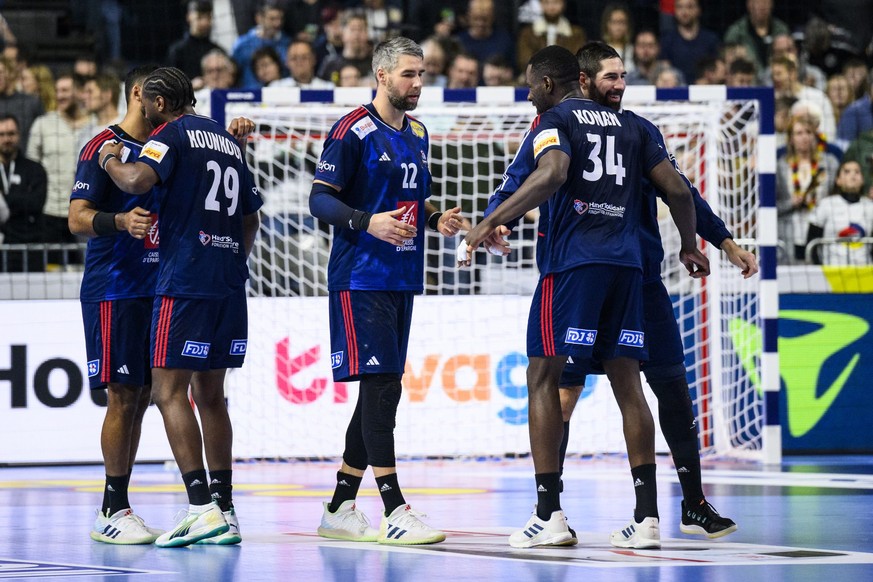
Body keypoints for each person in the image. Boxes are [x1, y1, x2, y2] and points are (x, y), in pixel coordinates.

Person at [462, 44, 709, 549]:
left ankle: (549, 514)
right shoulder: (635, 126)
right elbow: (680, 193)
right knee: (628, 385)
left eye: (531, 85)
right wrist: (690, 243)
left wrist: (490, 222)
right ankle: (646, 520)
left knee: (543, 378)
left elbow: (551, 174)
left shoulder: (555, 118)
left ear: (551, 84)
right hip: (627, 268)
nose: (528, 94)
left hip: (573, 265)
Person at [308, 36, 465, 546]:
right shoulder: (351, 131)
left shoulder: (418, 132)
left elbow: (411, 205)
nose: (418, 83)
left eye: (422, 74)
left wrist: (439, 218)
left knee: (385, 388)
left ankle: (339, 505)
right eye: (409, 75)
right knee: (380, 389)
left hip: (403, 276)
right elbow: (319, 200)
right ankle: (394, 508)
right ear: (382, 75)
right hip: (360, 276)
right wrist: (365, 222)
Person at [97, 66, 263, 548]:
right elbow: (251, 217)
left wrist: (110, 156)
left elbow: (133, 180)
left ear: (160, 103)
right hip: (229, 281)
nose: (144, 114)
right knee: (212, 395)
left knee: (168, 391)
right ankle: (226, 510)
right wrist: (230, 258)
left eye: (147, 105)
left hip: (185, 279)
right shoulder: (226, 140)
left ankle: (199, 508)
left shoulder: (169, 133)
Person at [69, 65, 163, 545]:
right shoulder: (101, 146)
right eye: (159, 93)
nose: (166, 103)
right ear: (137, 94)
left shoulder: (161, 148)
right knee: (123, 396)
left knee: (143, 397)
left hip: (154, 287)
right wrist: (119, 221)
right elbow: (76, 218)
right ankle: (112, 507)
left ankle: (119, 502)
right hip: (114, 288)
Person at [27, 72, 95, 263]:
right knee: (51, 273)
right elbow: (31, 168)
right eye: (57, 91)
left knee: (85, 269)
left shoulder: (94, 126)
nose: (59, 95)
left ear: (79, 92)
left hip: (86, 210)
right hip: (51, 212)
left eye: (65, 90)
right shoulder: (43, 124)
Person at [776, 115, 840, 263]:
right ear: (791, 138)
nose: (804, 137)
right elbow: (772, 206)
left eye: (808, 132)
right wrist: (791, 203)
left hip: (822, 231)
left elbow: (837, 198)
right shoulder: (780, 166)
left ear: (815, 136)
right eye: (799, 133)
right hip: (789, 233)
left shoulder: (830, 163)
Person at [0, 113, 47, 271]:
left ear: (19, 135)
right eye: (2, 134)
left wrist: (4, 199)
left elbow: (35, 204)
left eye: (11, 134)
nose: (7, 139)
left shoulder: (34, 169)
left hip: (29, 249)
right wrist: (20, 198)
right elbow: (27, 202)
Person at [807, 160, 873, 265]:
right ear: (838, 180)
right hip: (832, 269)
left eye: (857, 172)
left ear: (863, 180)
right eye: (847, 172)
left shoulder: (870, 206)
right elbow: (811, 242)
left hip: (864, 269)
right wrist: (818, 269)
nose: (853, 175)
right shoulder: (826, 204)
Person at [658, 0, 721, 86]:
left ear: (698, 10)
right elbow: (664, 70)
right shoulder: (666, 40)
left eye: (689, 7)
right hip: (677, 92)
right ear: (675, 11)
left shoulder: (711, 39)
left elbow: (718, 70)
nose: (684, 12)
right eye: (680, 7)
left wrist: (709, 81)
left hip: (705, 91)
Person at [515, 0, 586, 75]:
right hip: (535, 78)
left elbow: (577, 60)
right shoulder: (528, 33)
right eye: (546, 3)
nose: (551, 7)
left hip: (566, 79)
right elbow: (524, 60)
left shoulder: (575, 33)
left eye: (556, 2)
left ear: (563, 4)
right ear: (540, 4)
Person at [231, 0, 291, 88]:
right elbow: (233, 73)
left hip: (280, 95)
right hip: (249, 96)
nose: (277, 23)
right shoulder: (242, 45)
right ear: (259, 18)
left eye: (280, 18)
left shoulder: (288, 44)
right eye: (272, 19)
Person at [723, 0, 790, 75]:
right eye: (758, 2)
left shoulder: (782, 30)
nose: (762, 7)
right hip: (748, 81)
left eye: (766, 2)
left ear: (772, 4)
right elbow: (727, 62)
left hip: (778, 80)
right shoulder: (736, 32)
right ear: (749, 5)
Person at [166, 1, 224, 84]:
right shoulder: (177, 51)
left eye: (208, 17)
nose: (204, 22)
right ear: (189, 17)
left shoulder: (218, 51)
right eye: (199, 17)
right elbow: (169, 84)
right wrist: (190, 85)